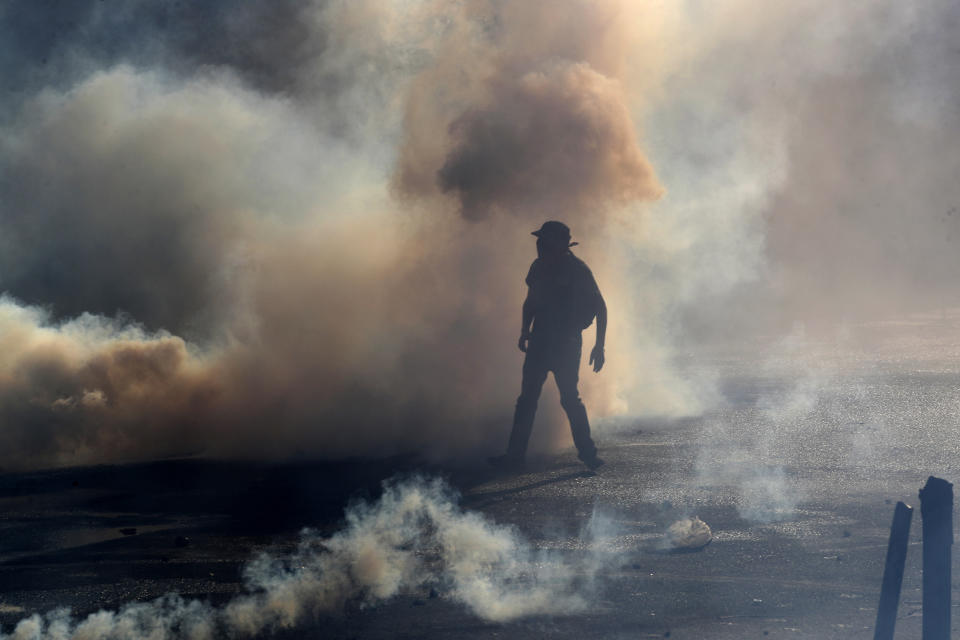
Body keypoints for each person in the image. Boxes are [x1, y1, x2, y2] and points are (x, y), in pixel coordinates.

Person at [489, 221, 607, 471]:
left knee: (569, 399)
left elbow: (600, 307)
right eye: (539, 240)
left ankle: (588, 454)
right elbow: (531, 301)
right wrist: (524, 330)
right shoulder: (538, 267)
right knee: (527, 400)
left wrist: (600, 346)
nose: (539, 245)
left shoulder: (578, 270)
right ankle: (514, 457)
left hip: (566, 344)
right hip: (540, 341)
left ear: (560, 245)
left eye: (545, 241)